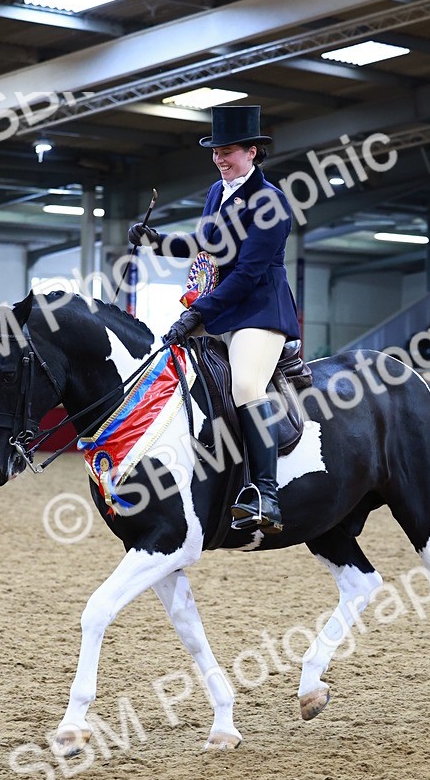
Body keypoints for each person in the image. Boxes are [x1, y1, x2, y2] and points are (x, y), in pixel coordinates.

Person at [128, 105, 301, 533]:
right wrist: (157, 241)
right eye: (216, 151)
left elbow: (246, 274)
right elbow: (207, 245)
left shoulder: (270, 202)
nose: (221, 159)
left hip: (259, 309)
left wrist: (198, 314)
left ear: (253, 153)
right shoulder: (216, 192)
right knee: (168, 358)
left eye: (229, 151)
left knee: (245, 384)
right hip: (222, 305)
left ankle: (266, 494)